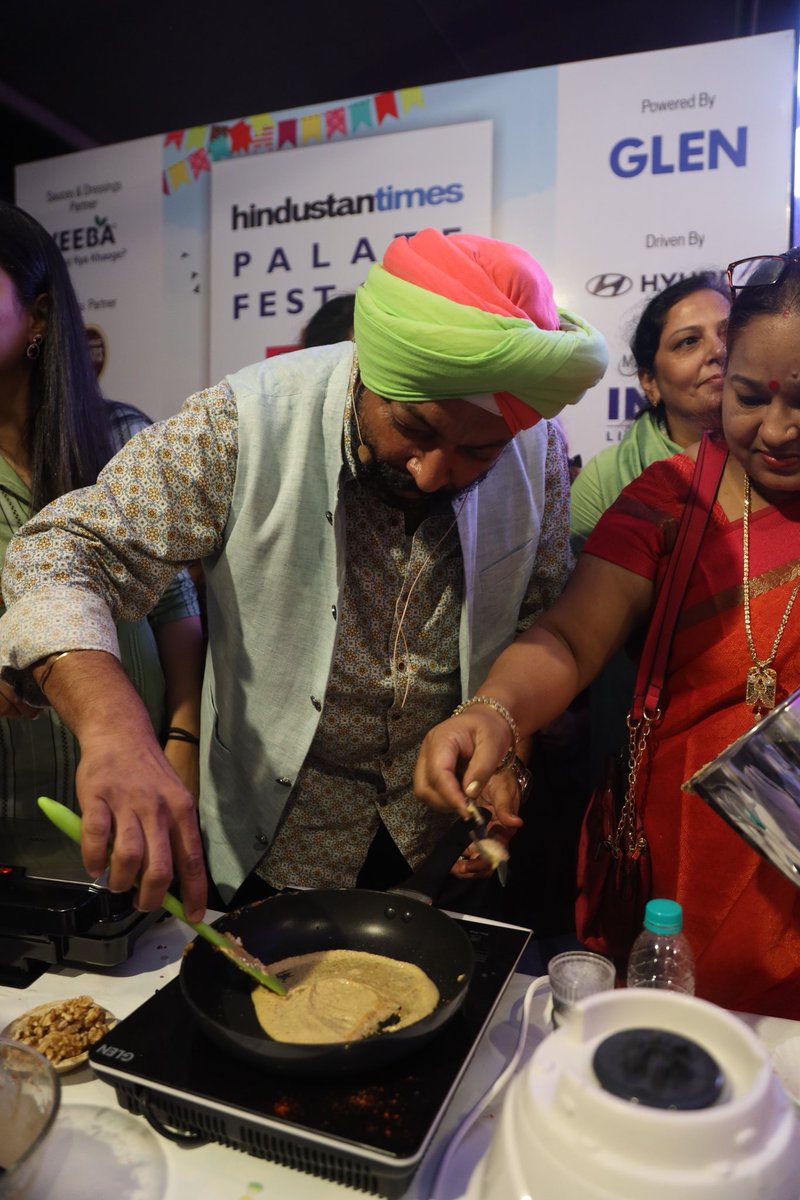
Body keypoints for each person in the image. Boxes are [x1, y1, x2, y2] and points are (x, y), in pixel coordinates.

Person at [0, 228, 607, 920]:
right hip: (272, 846)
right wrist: (114, 729)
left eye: (478, 452)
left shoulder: (538, 453)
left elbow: (535, 621)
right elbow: (59, 549)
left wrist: (508, 759)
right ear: (369, 370)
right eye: (414, 428)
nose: (435, 473)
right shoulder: (242, 423)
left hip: (439, 844)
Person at [414, 248, 800, 1017]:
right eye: (751, 397)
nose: (778, 430)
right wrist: (493, 710)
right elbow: (571, 636)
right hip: (683, 849)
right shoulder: (668, 499)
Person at [0, 200, 204, 812]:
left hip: (144, 783)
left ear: (38, 316)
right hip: (17, 806)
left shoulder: (119, 436)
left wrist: (184, 739)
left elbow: (175, 604)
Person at [570, 274, 731, 781]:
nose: (717, 351)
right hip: (641, 734)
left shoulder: (781, 464)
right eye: (689, 341)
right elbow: (574, 624)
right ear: (650, 382)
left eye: (730, 333)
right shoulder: (608, 480)